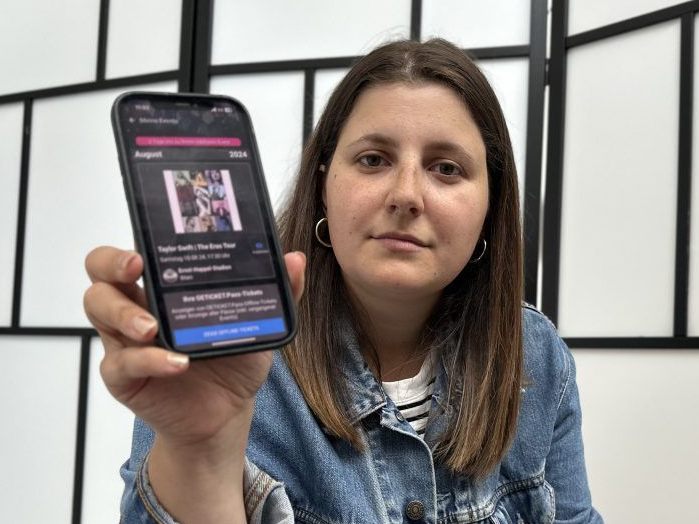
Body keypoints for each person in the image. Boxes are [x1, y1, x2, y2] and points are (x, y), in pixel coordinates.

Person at [83, 38, 602, 523]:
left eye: (446, 168)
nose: (406, 195)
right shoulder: (225, 360)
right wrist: (199, 451)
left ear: (490, 206)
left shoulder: (536, 355)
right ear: (324, 185)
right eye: (373, 160)